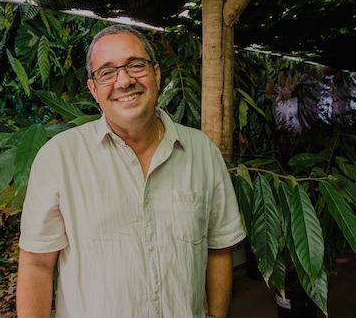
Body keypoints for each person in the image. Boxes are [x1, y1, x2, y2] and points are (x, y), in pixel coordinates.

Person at [17, 24, 245, 318]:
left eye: (136, 65)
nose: (124, 80)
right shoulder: (59, 157)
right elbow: (37, 263)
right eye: (107, 72)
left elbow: (219, 246)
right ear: (93, 89)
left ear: (157, 74)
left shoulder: (201, 151)